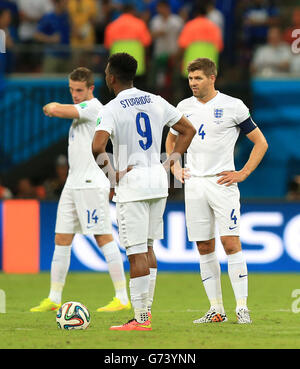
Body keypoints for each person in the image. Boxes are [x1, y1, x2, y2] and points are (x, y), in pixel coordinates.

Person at [92, 52, 196, 331]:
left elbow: (97, 147)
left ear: (112, 77)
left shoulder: (111, 108)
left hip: (133, 182)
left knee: (136, 252)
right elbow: (188, 130)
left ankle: (140, 319)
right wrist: (172, 160)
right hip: (159, 180)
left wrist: (112, 177)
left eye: (105, 72)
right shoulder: (157, 100)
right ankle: (145, 314)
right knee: (149, 248)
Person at [165, 58, 268, 324]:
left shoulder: (233, 106)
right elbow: (171, 138)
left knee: (230, 243)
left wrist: (243, 173)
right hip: (195, 183)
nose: (193, 84)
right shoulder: (183, 107)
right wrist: (174, 167)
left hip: (223, 184)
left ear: (212, 78)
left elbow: (260, 143)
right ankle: (216, 309)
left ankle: (242, 307)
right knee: (203, 245)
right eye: (190, 79)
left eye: (198, 78)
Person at [30, 67, 130, 313]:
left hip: (90, 184)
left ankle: (122, 297)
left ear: (90, 89)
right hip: (73, 184)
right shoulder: (81, 112)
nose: (74, 94)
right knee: (62, 238)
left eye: (79, 90)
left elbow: (55, 109)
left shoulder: (94, 108)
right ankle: (54, 298)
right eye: (71, 90)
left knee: (103, 236)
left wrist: (50, 106)